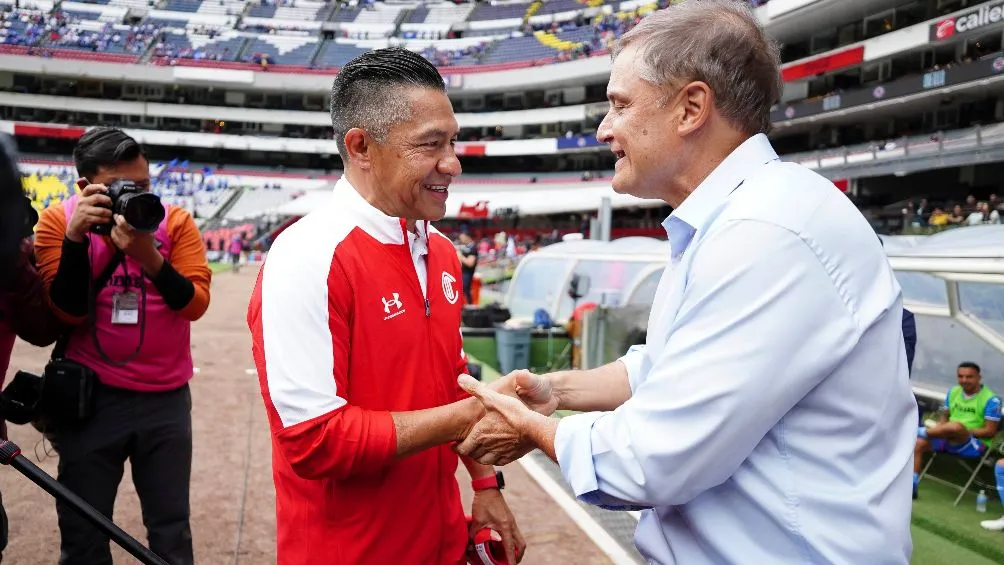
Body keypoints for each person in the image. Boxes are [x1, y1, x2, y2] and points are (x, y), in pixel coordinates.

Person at [454, 2, 916, 564]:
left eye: (620, 105)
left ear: (692, 107)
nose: (604, 130)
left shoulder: (765, 233)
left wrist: (530, 429)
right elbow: (666, 367)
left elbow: (650, 461)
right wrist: (557, 392)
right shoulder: (735, 218)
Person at [246, 47, 525, 565]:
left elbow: (450, 373)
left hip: (439, 542)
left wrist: (487, 484)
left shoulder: (439, 250)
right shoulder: (308, 256)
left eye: (453, 141)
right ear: (361, 147)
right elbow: (314, 441)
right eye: (431, 145)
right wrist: (474, 412)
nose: (453, 163)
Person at [33, 127, 211, 565]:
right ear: (85, 185)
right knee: (83, 528)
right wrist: (76, 238)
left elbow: (195, 305)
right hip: (91, 398)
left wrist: (148, 255)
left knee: (171, 529)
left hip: (165, 398)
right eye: (122, 188)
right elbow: (66, 313)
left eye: (145, 185)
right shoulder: (57, 221)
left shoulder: (175, 221)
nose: (137, 195)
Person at [914, 362, 1000, 499]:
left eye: (969, 377)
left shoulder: (991, 400)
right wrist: (943, 429)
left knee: (957, 426)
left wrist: (961, 431)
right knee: (918, 444)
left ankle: (916, 431)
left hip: (973, 443)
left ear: (979, 377)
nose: (964, 380)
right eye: (960, 376)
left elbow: (990, 432)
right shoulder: (953, 391)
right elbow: (944, 417)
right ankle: (912, 486)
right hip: (947, 437)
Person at [457, 230, 478, 304]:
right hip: (463, 273)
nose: (461, 239)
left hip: (467, 274)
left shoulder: (473, 247)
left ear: (467, 236)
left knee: (465, 290)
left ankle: (469, 307)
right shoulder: (466, 247)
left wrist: (460, 256)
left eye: (462, 237)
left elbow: (470, 263)